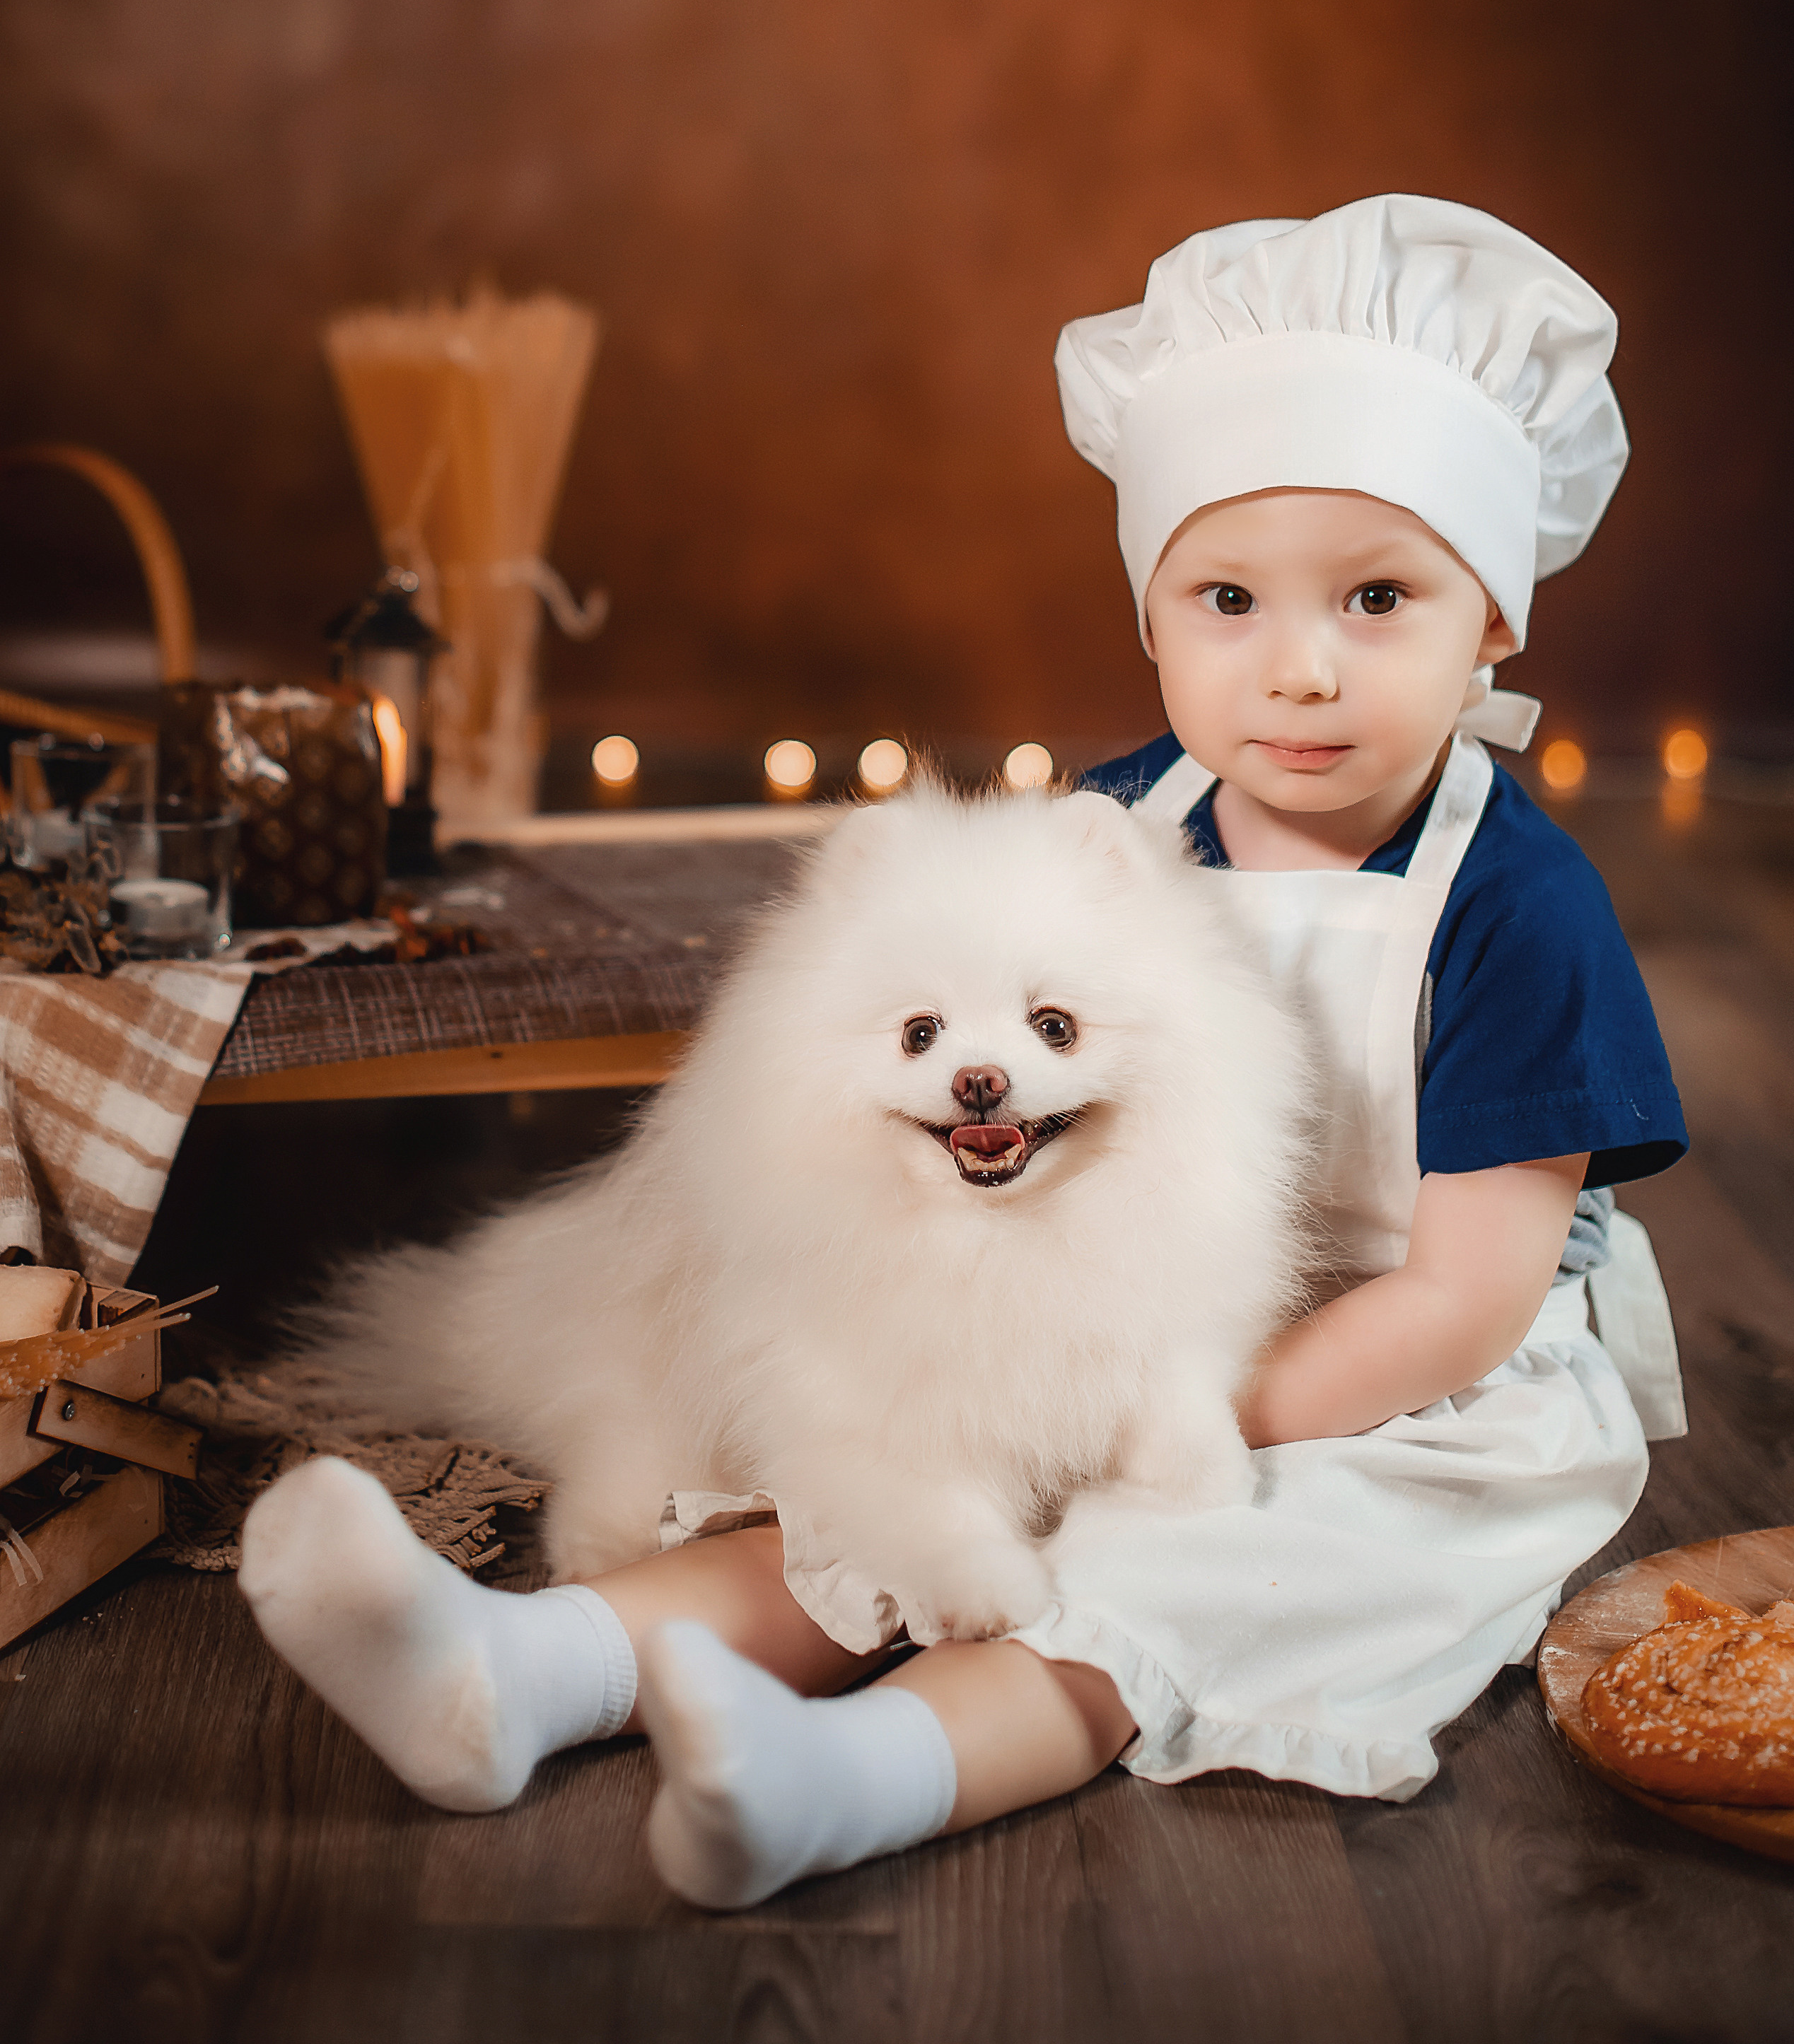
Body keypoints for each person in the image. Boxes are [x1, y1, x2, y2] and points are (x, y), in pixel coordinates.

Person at [240, 193, 1689, 1908]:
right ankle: (515, 1672)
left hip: (1389, 1382)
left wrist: (1163, 1409)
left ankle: (851, 1780)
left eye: (1378, 598)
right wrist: (1018, 1391)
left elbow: (1468, 1298)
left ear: (1494, 620)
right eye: (1229, 597)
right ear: (1154, 614)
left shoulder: (1521, 906)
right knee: (864, 1513)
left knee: (1170, 1585)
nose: (1299, 669)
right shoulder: (1106, 830)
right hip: (1101, 1316)